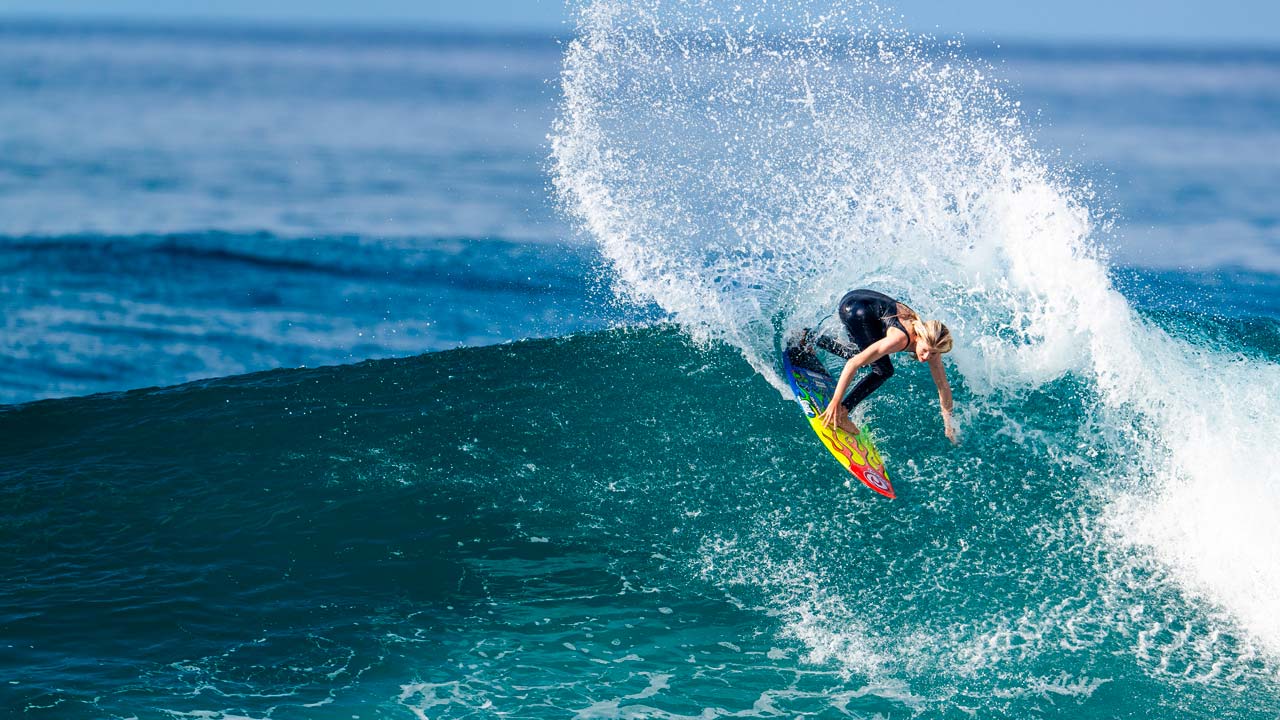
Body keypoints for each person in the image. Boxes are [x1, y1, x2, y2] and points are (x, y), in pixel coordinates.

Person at [804, 289, 958, 444]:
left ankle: (807, 337)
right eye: (924, 351)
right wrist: (835, 402)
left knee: (865, 355)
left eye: (932, 354)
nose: (926, 357)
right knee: (882, 370)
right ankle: (842, 413)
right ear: (918, 337)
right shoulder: (900, 339)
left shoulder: (932, 343)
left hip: (857, 299)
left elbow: (943, 386)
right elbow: (853, 364)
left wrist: (948, 423)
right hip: (854, 310)